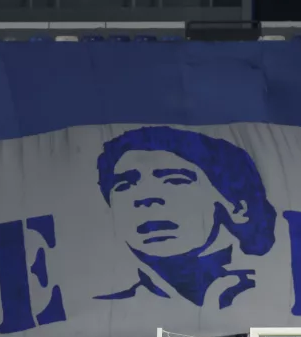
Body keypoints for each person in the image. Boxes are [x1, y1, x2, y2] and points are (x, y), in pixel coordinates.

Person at [93, 126, 277, 309]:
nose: (145, 198)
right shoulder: (103, 312)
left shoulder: (277, 297)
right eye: (124, 185)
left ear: (237, 206)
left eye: (175, 180)